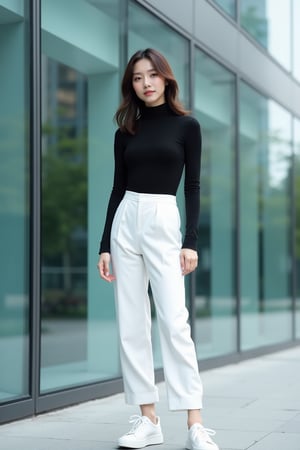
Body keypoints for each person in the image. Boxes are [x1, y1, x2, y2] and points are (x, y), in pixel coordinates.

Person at [97, 48, 219, 450]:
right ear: (130, 85)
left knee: (174, 321)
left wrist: (191, 242)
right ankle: (148, 419)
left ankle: (195, 423)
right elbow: (117, 189)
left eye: (152, 75)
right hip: (126, 219)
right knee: (132, 324)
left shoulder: (188, 127)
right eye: (137, 77)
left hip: (164, 217)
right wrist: (104, 246)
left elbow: (194, 186)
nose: (145, 83)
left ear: (166, 79)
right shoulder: (125, 133)